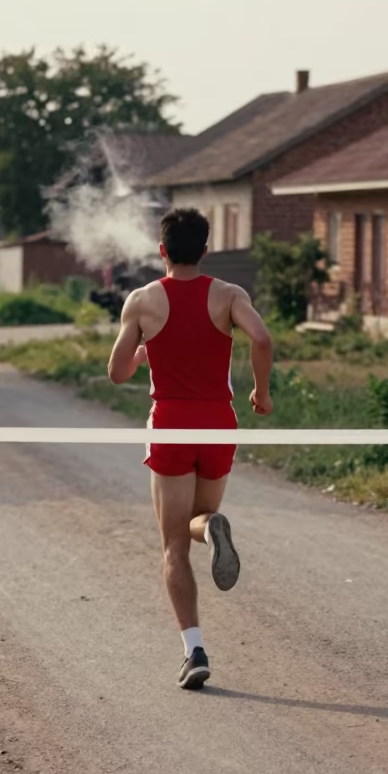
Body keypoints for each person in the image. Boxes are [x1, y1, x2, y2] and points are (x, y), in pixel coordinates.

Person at [108, 207, 273, 689]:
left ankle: (194, 649)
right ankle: (213, 527)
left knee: (173, 545)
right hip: (219, 422)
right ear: (204, 250)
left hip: (171, 423)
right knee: (198, 521)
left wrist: (140, 354)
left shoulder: (141, 301)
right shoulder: (228, 295)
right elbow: (260, 337)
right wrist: (261, 392)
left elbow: (116, 375)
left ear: (162, 251)